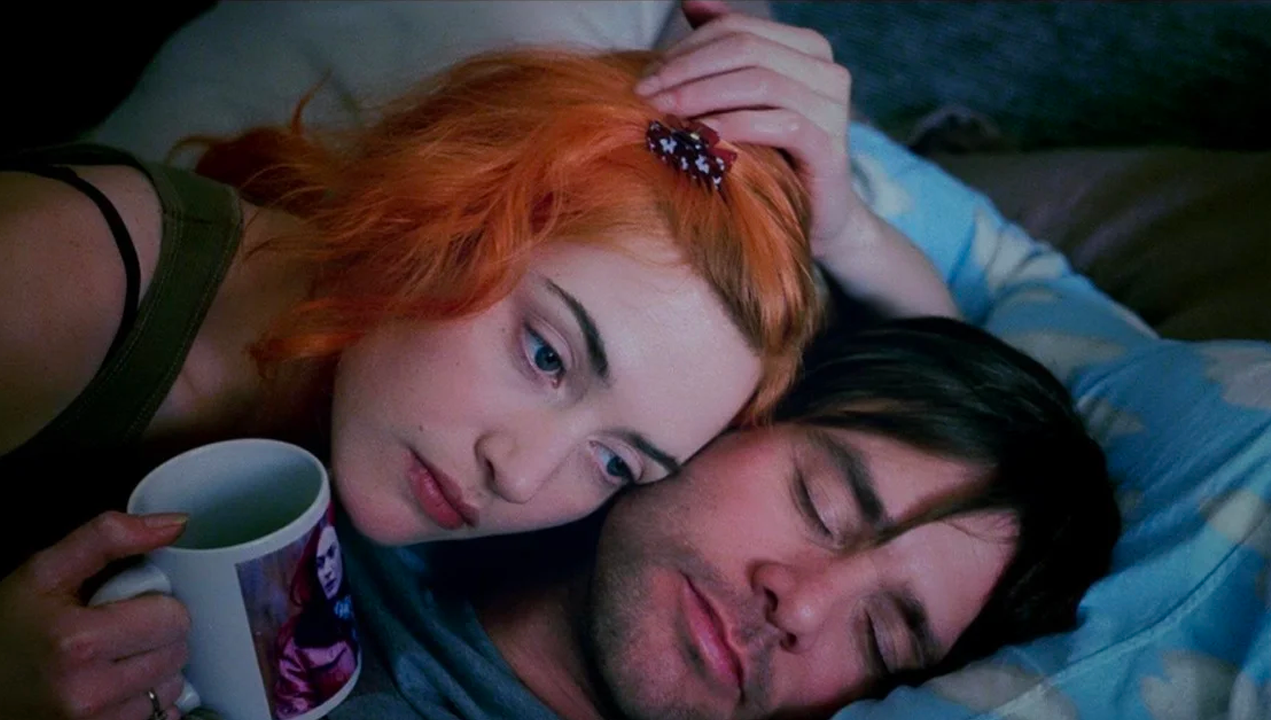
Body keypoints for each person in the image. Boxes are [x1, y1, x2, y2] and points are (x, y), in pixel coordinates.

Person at [0, 3, 957, 718]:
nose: (521, 476)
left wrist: (849, 230)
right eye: (546, 355)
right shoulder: (60, 277)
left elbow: (966, 431)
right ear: (446, 200)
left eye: (617, 462)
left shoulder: (420, 448)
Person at [327, 316, 1121, 720]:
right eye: (821, 504)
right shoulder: (371, 484)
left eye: (880, 638)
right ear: (738, 414)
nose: (800, 606)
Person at [272, 510, 359, 719]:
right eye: (320, 563)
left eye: (331, 554)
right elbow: (295, 708)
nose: (327, 570)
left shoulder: (355, 599)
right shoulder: (297, 643)